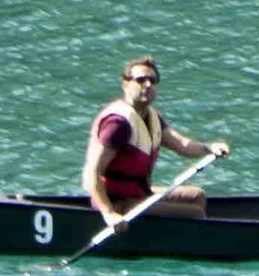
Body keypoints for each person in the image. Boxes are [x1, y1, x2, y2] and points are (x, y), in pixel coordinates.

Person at [83, 58, 229, 232]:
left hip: (139, 193)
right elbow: (92, 172)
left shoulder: (151, 117)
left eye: (153, 80)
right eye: (141, 80)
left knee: (197, 196)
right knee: (195, 213)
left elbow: (181, 144)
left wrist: (208, 148)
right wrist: (108, 213)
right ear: (126, 84)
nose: (148, 85)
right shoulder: (117, 124)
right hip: (118, 202)